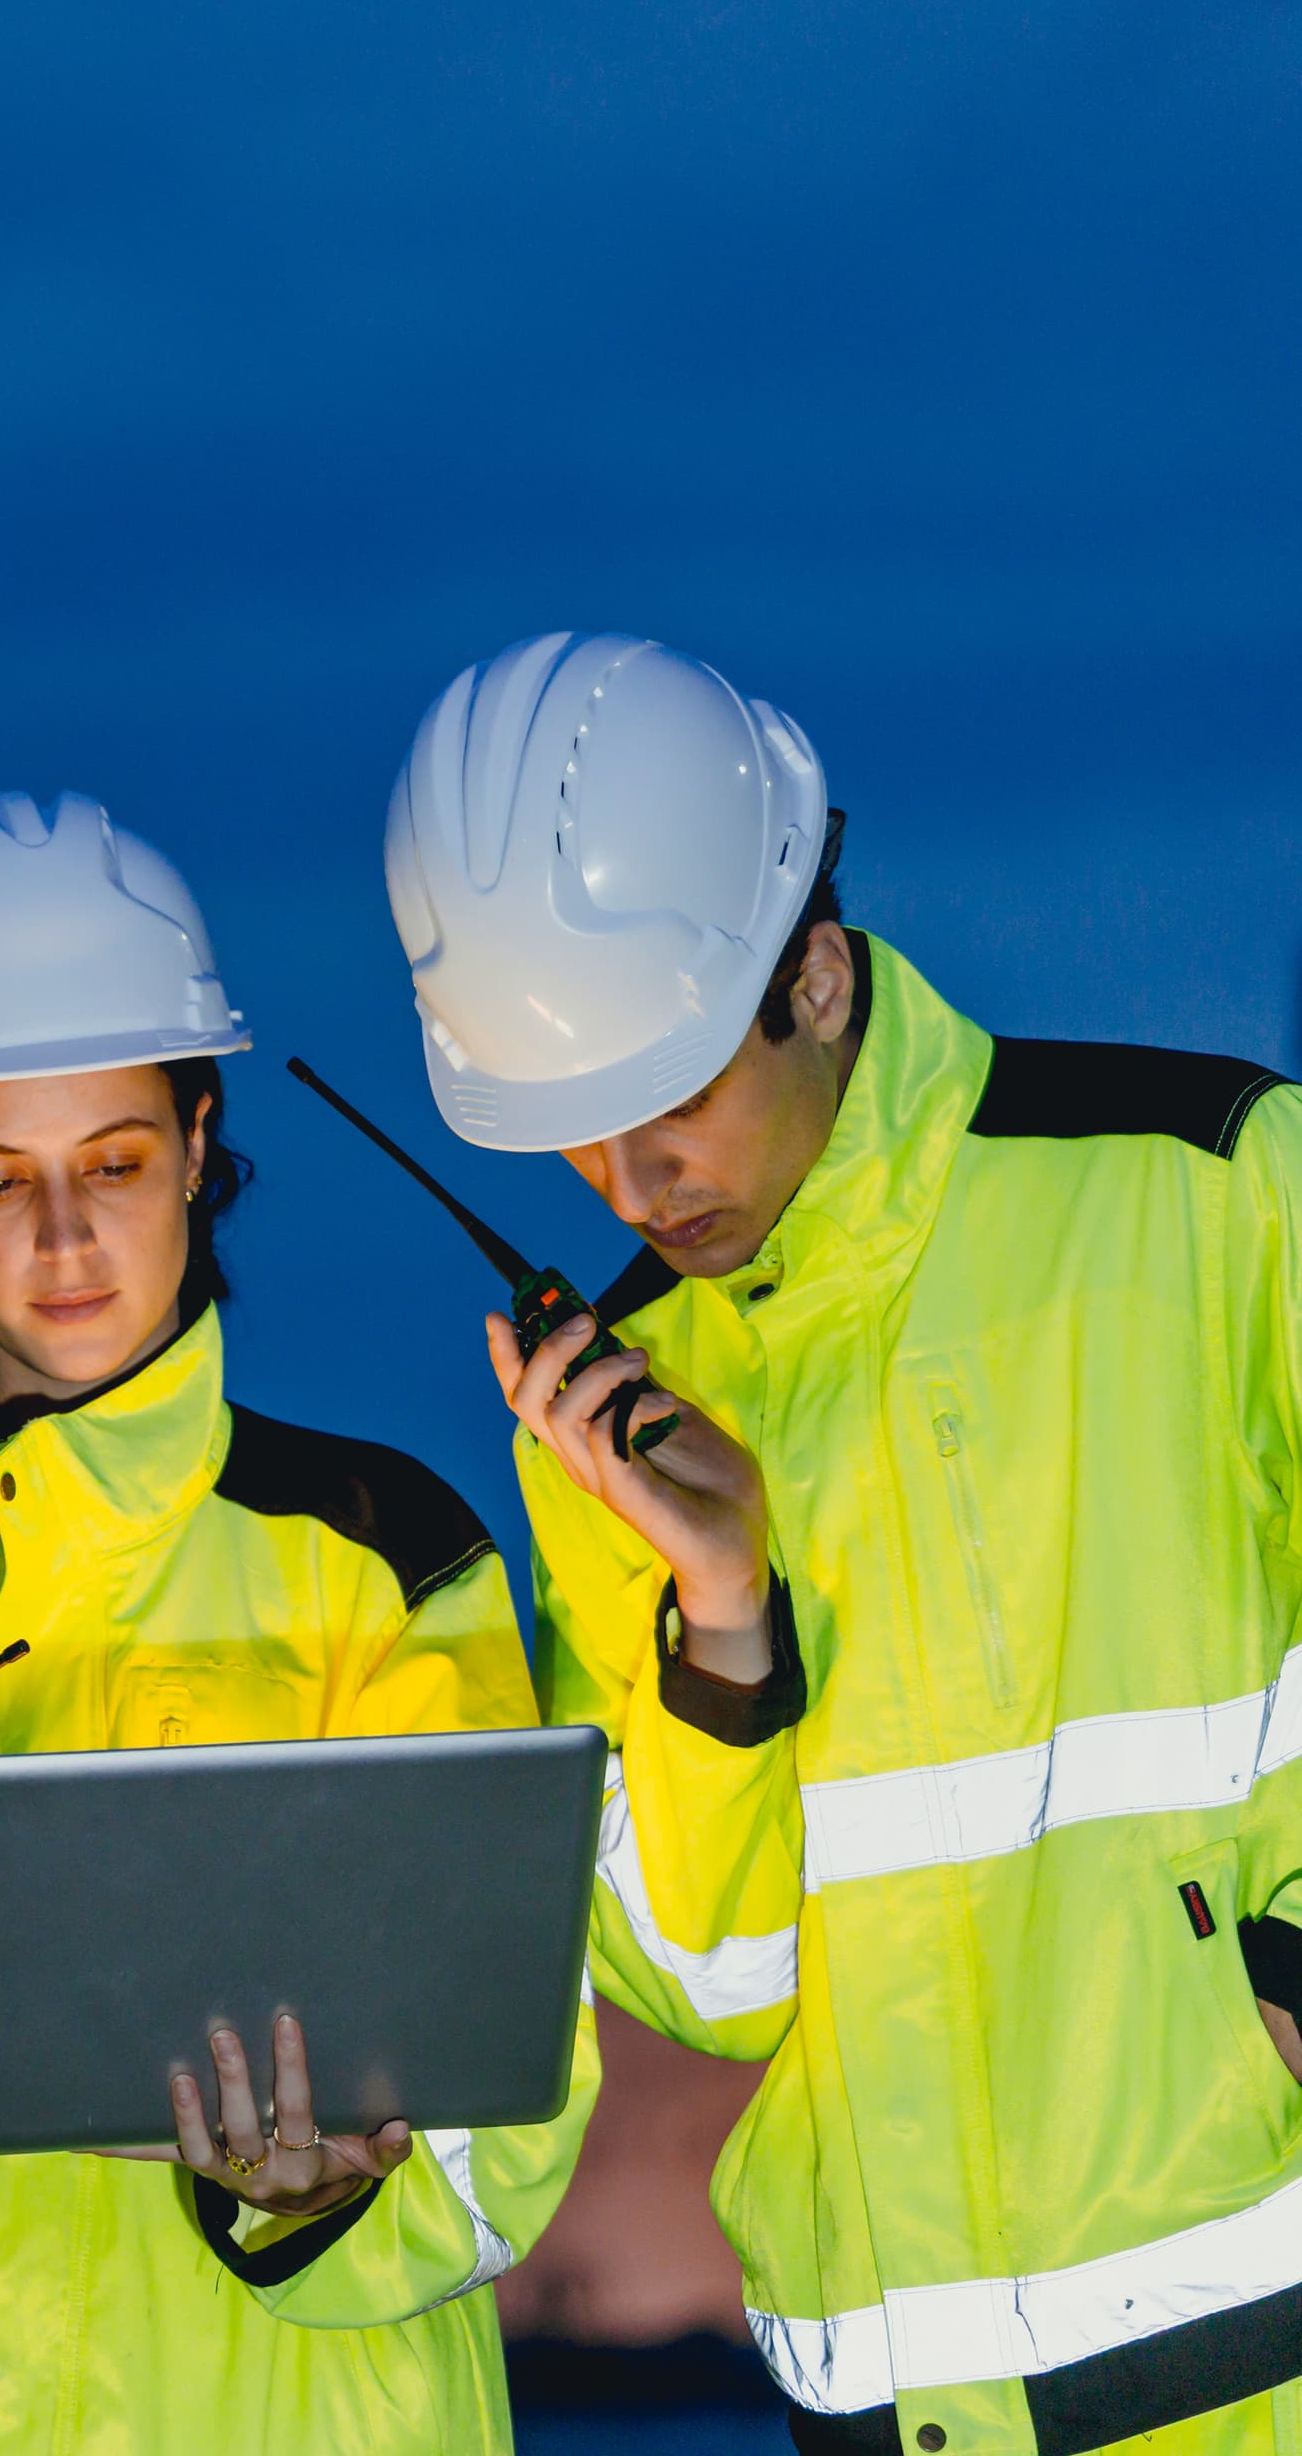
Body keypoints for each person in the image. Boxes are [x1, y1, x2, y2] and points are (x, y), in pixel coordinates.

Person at [385, 631, 1302, 2455]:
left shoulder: (1209, 1188)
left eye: (670, 1109)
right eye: (575, 1140)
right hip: (893, 2408)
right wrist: (719, 1616)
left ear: (814, 975)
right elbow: (713, 1994)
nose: (634, 1190)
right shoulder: (616, 1427)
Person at [0, 791, 599, 2455]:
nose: (68, 1236)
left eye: (118, 1163)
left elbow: (509, 2097)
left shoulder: (381, 1556)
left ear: (202, 1138)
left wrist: (312, 2195)